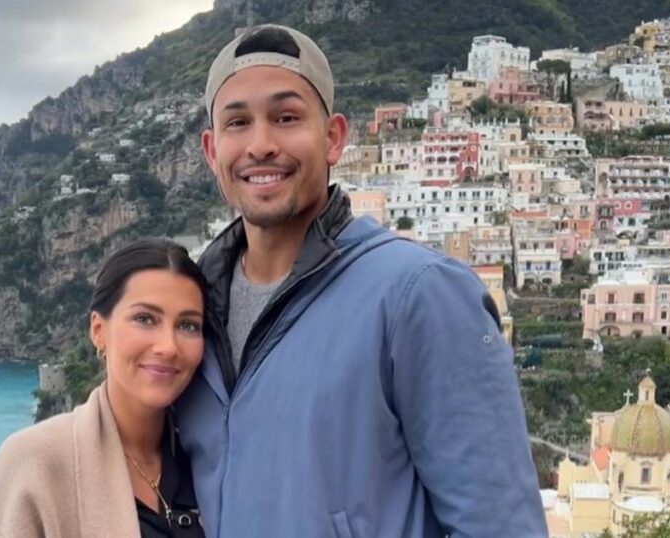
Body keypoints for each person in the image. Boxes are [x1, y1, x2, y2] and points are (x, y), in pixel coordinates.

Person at [174, 24, 548, 537]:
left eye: (286, 118)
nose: (260, 145)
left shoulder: (419, 296)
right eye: (238, 123)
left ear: (333, 138)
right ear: (211, 150)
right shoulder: (190, 315)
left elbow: (499, 526)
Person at [0, 239, 208, 538]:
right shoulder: (32, 464)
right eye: (145, 319)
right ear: (98, 330)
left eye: (188, 325)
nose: (168, 346)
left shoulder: (210, 458)